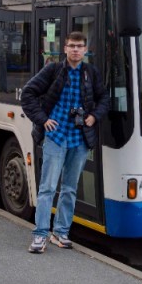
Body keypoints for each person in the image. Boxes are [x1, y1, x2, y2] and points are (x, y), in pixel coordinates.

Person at [20, 31, 109, 254]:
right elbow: (28, 94)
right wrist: (42, 120)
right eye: (72, 46)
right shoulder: (53, 70)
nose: (76, 49)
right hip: (56, 136)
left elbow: (104, 98)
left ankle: (60, 232)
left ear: (85, 50)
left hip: (79, 138)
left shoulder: (90, 72)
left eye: (80, 46)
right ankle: (40, 235)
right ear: (65, 49)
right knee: (47, 188)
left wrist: (93, 116)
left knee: (69, 189)